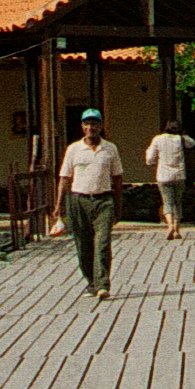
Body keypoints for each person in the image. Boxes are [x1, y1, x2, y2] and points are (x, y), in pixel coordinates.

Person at [57, 108, 125, 298]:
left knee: (102, 242)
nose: (90, 128)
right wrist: (58, 207)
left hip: (103, 200)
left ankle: (103, 284)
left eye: (94, 124)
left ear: (100, 126)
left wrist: (118, 205)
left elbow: (117, 178)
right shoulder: (73, 149)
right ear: (82, 127)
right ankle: (91, 282)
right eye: (87, 124)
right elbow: (64, 178)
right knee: (83, 245)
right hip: (79, 200)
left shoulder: (110, 148)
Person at [143, 123, 194, 239]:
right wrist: (183, 136)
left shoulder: (158, 139)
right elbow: (192, 143)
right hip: (179, 175)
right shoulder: (180, 139)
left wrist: (152, 162)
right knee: (177, 202)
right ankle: (176, 229)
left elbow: (150, 159)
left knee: (167, 202)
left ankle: (170, 225)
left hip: (163, 175)